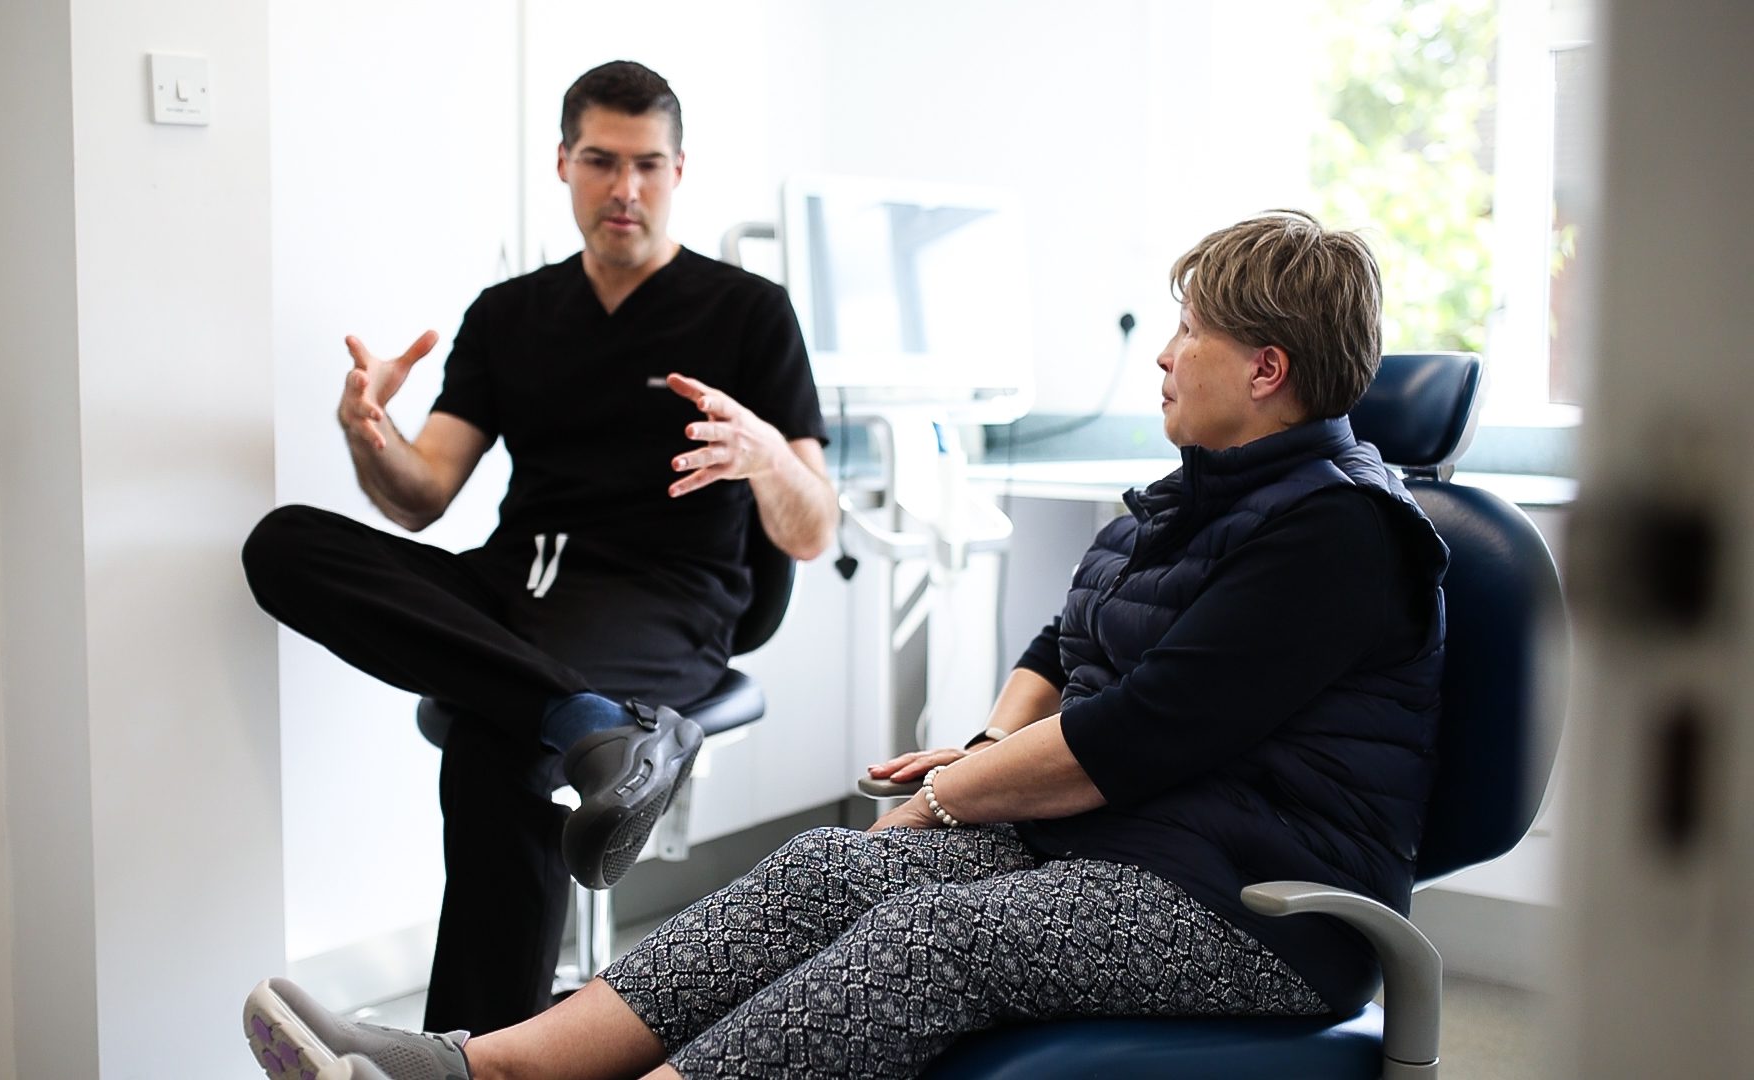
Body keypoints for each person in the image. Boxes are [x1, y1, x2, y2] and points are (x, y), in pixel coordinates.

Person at [240, 209, 1450, 1080]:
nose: (1163, 351)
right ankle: (483, 1068)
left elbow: (1133, 737)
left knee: (930, 935)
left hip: (1262, 912)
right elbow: (1058, 647)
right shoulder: (1193, 495)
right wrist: (979, 751)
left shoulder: (1341, 535)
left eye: (1187, 330)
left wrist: (960, 793)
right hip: (1126, 851)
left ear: (1267, 367)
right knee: (830, 871)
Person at [241, 60, 835, 1037]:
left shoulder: (747, 311)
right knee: (283, 545)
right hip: (514, 584)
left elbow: (813, 529)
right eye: (601, 161)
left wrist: (766, 452)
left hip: (664, 598)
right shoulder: (510, 314)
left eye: (647, 164)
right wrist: (369, 434)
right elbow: (423, 496)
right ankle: (594, 725)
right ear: (563, 162)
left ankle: (470, 1051)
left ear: (681, 169)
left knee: (493, 737)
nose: (625, 189)